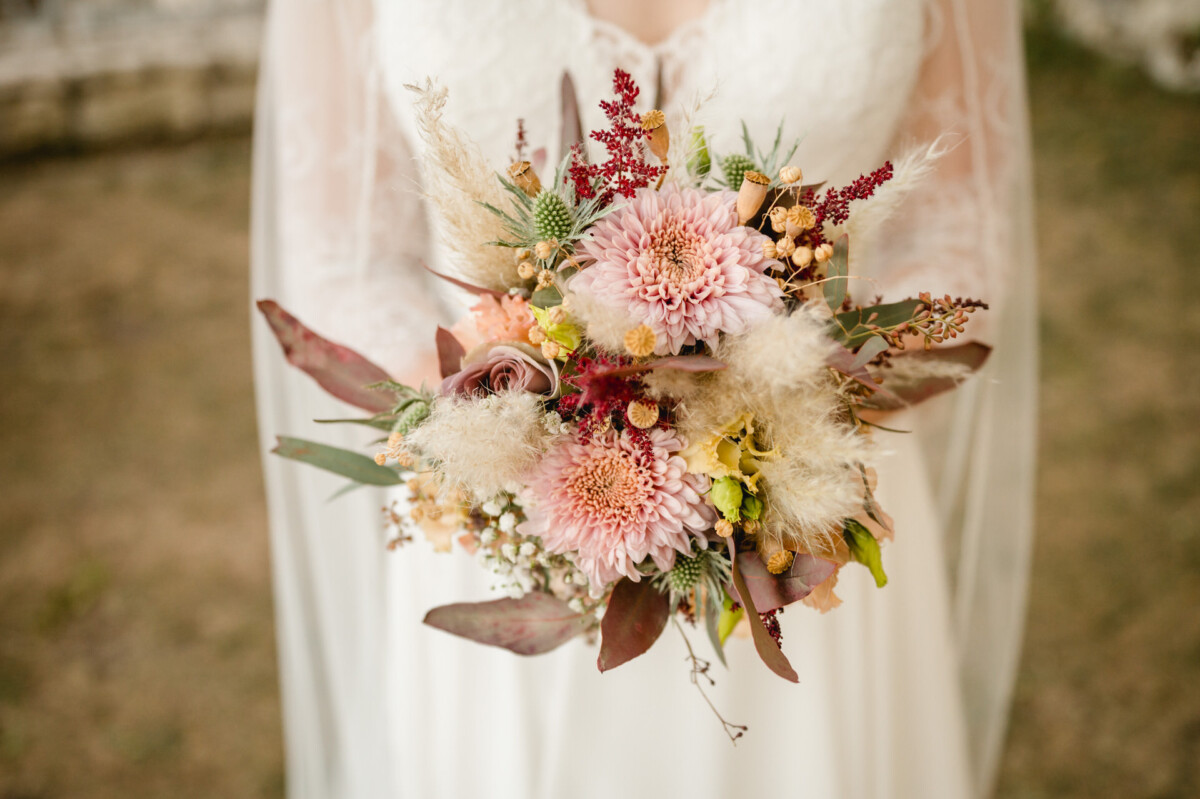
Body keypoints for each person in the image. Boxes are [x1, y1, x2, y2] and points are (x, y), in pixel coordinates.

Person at [251, 1, 1037, 796]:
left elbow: (955, 233)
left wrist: (767, 434)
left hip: (803, 517)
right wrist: (526, 420)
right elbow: (342, 261)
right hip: (495, 509)